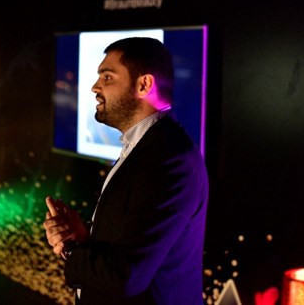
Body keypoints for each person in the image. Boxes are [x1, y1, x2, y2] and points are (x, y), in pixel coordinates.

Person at [43, 37, 209, 304]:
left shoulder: (169, 159)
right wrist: (81, 239)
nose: (95, 87)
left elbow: (126, 276)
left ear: (144, 85)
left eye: (107, 77)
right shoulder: (147, 147)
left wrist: (72, 251)